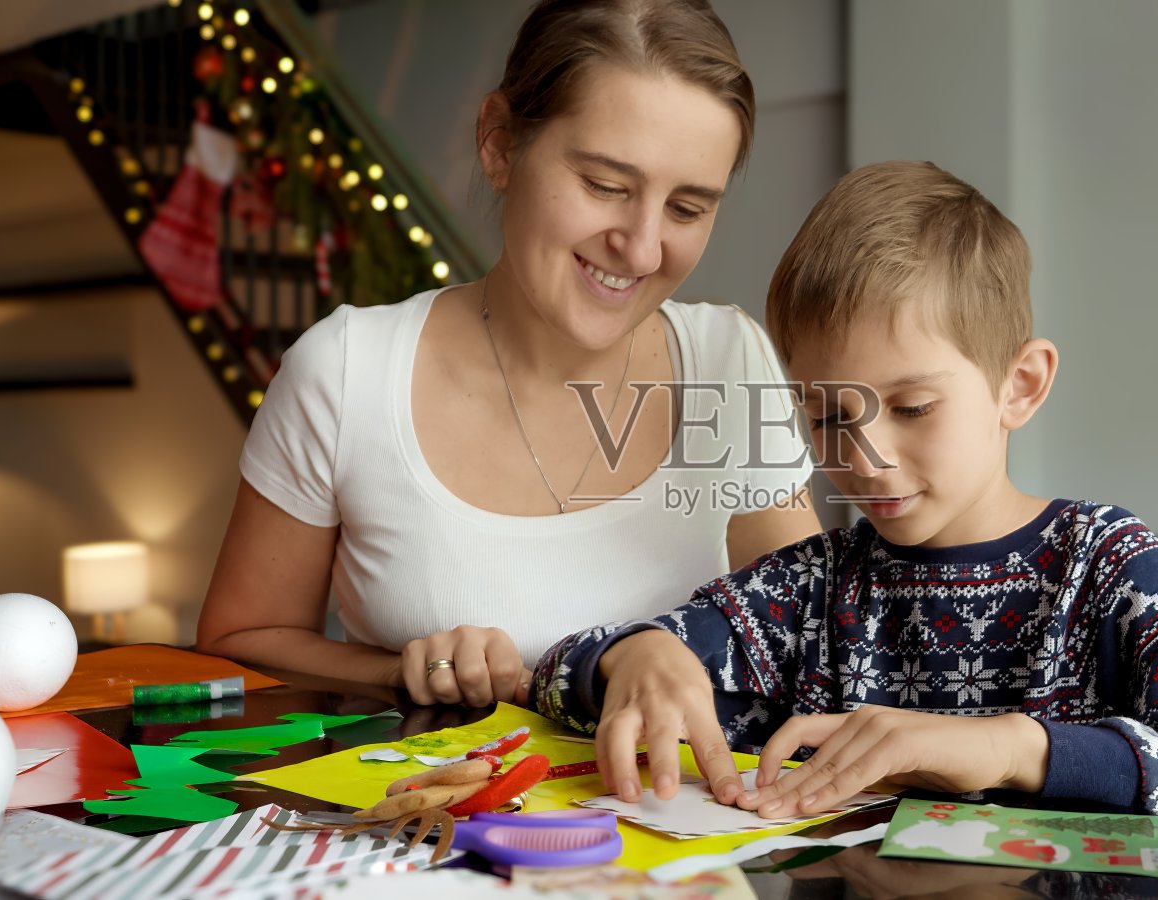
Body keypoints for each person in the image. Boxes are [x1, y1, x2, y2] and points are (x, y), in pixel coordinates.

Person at [530, 160, 1158, 823]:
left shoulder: (1111, 568)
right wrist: (635, 654)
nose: (865, 456)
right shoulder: (809, 586)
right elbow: (561, 676)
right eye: (828, 414)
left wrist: (1017, 749)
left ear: (1021, 384)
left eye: (911, 408)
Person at [196, 0, 819, 709]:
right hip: (433, 819)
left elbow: (804, 647)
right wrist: (405, 670)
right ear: (498, 143)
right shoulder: (344, 372)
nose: (643, 248)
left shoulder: (727, 356)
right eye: (606, 186)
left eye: (687, 208)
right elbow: (239, 643)